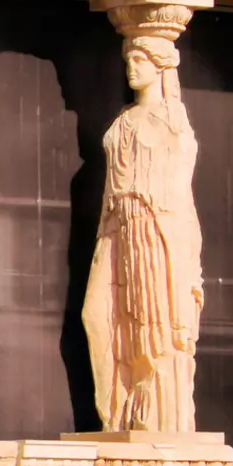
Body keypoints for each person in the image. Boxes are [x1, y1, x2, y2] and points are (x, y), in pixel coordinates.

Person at [83, 31, 203, 432]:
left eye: (140, 61)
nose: (131, 68)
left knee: (155, 326)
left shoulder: (173, 123)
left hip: (155, 226)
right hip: (119, 225)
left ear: (160, 67)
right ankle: (119, 408)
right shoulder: (123, 120)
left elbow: (181, 191)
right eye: (129, 61)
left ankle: (155, 415)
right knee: (96, 315)